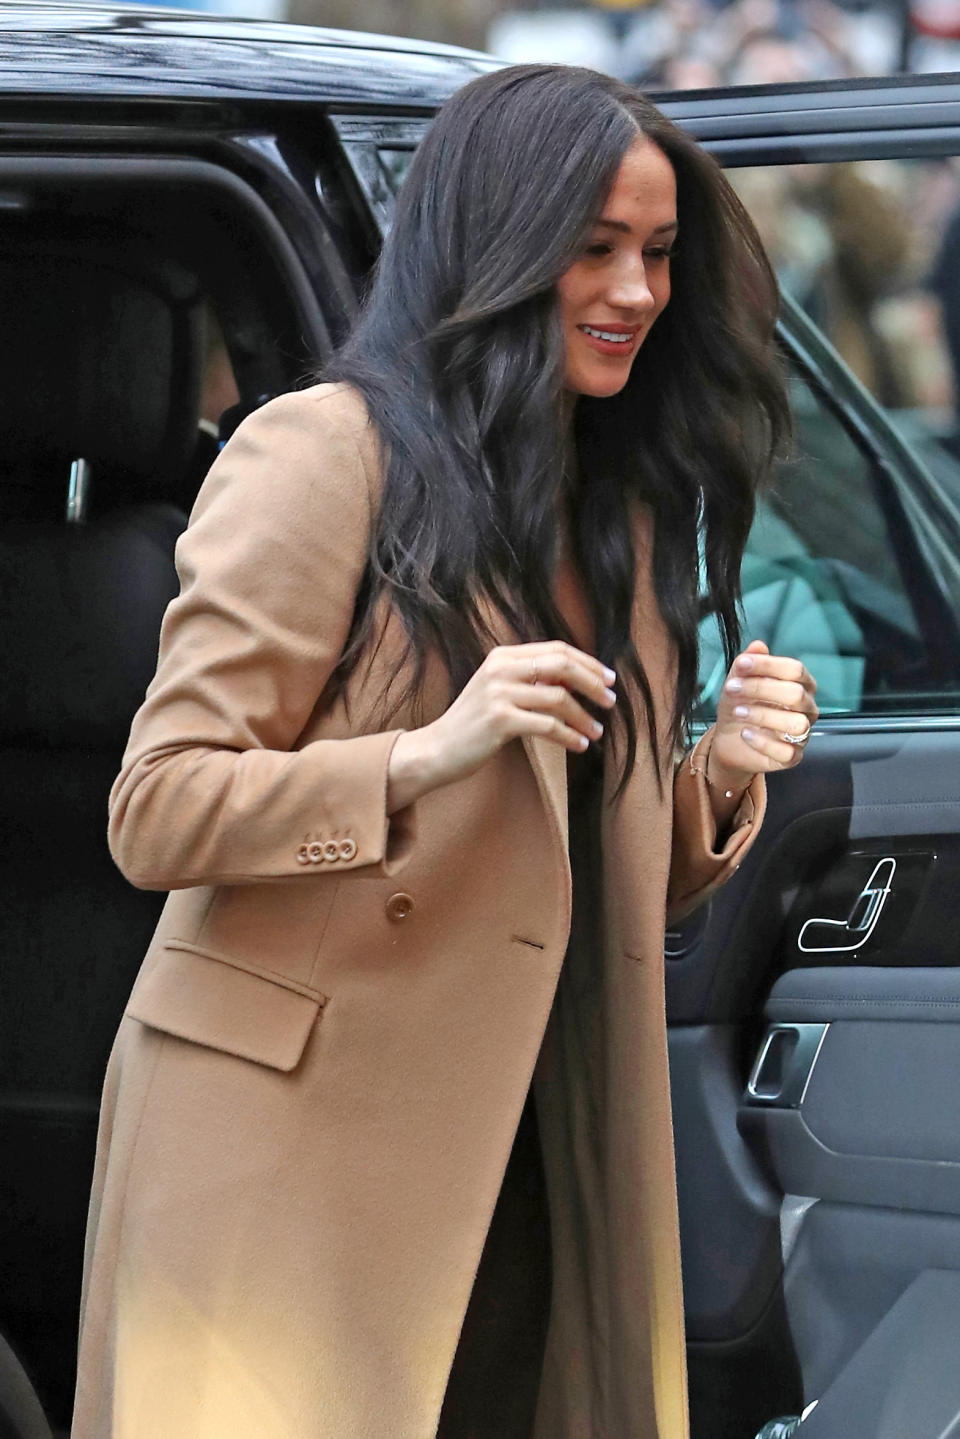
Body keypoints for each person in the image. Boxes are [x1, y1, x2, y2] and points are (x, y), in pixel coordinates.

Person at [72, 64, 818, 1439]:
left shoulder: (627, 518)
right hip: (293, 1160)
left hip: (533, 1138)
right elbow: (157, 809)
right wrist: (422, 756)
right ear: (497, 247)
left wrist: (718, 770)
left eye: (657, 254)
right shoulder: (321, 457)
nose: (637, 292)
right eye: (592, 249)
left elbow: (591, 894)